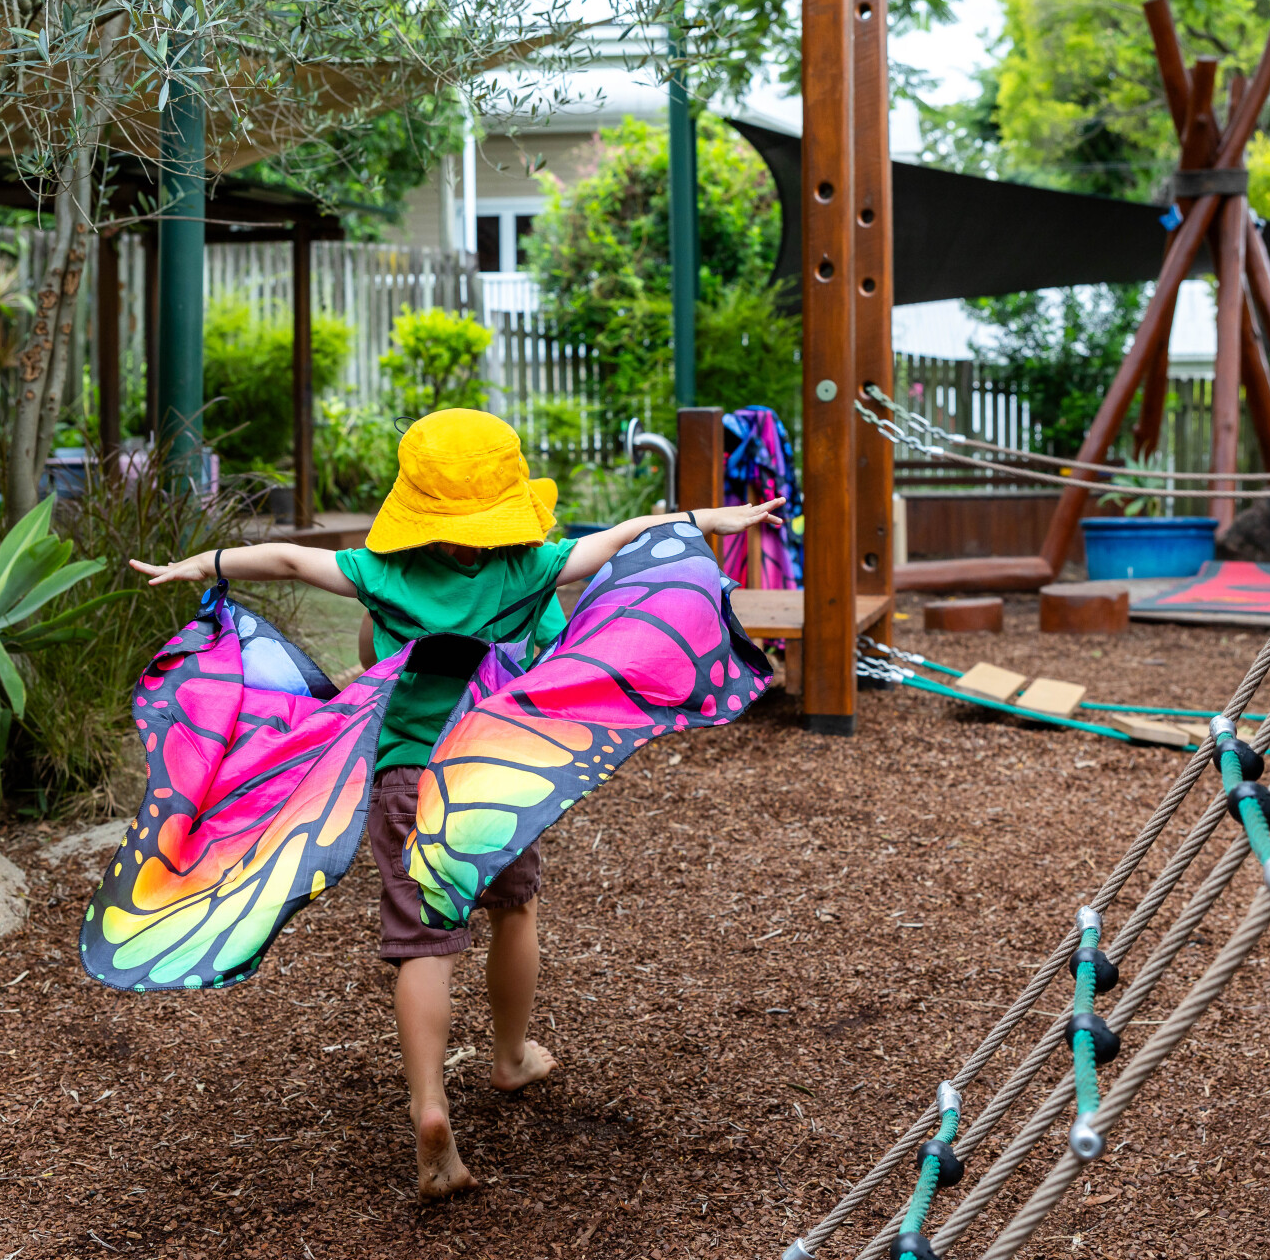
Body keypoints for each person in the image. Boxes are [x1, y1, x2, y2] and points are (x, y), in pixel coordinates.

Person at [128, 408, 783, 1198]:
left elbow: (290, 562)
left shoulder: (385, 575)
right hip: (499, 772)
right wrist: (710, 518)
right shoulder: (528, 569)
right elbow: (624, 536)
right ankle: (510, 1057)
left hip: (409, 775)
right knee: (515, 910)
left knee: (421, 942)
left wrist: (204, 563)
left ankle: (431, 1108)